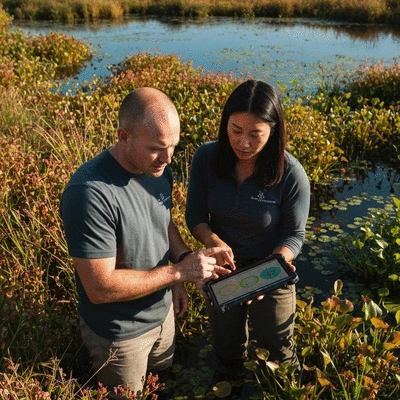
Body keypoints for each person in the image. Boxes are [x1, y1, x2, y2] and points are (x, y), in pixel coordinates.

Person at [60, 87, 231, 398]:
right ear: (123, 136)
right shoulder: (89, 194)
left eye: (173, 147)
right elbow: (99, 288)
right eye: (156, 148)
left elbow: (162, 221)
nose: (167, 159)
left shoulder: (157, 168)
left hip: (162, 313)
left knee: (162, 383)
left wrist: (183, 259)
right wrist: (178, 273)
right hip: (120, 336)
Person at [185, 79, 310, 379]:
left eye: (256, 135)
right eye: (236, 131)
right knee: (226, 348)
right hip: (223, 268)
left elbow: (294, 236)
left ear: (273, 130)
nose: (243, 143)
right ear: (224, 123)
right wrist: (213, 240)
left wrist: (268, 272)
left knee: (278, 349)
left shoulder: (290, 173)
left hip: (271, 268)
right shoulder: (206, 158)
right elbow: (196, 216)